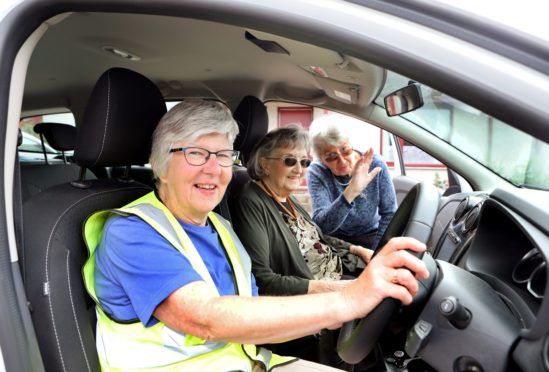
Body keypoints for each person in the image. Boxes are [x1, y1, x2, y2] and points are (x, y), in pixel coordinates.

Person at [82, 100, 429, 372]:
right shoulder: (132, 232)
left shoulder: (220, 228)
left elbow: (250, 301)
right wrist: (348, 300)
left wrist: (356, 288)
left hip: (252, 360)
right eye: (195, 153)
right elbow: (206, 318)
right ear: (159, 164)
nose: (214, 169)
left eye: (221, 155)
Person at [230, 125, 376, 368]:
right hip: (312, 302)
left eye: (304, 162)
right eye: (290, 161)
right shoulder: (251, 201)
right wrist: (332, 289)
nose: (299, 170)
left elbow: (319, 238)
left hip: (337, 278)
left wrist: (358, 250)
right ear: (265, 165)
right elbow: (263, 280)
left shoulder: (285, 197)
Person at [307, 114, 397, 250]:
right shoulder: (317, 171)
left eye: (345, 150)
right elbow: (322, 225)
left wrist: (376, 252)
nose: (342, 161)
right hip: (336, 239)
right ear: (321, 159)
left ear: (352, 144)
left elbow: (389, 213)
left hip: (371, 235)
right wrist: (351, 191)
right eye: (331, 156)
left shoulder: (374, 164)